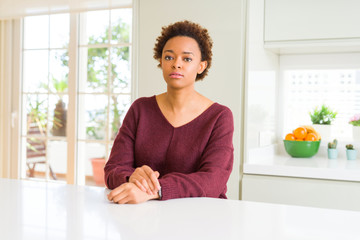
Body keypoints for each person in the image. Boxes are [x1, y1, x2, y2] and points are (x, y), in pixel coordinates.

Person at [105, 20, 234, 204]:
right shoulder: (140, 109)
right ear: (161, 61)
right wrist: (133, 178)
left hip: (201, 220)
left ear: (201, 66)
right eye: (169, 57)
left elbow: (213, 181)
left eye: (187, 59)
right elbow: (113, 169)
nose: (176, 64)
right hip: (144, 219)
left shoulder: (219, 117)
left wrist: (157, 190)